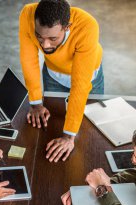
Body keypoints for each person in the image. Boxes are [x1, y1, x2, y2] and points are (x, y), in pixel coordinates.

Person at [19, 0, 104, 163]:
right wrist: (36, 103)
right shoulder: (28, 14)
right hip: (53, 74)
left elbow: (80, 85)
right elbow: (28, 60)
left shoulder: (87, 26)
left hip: (88, 77)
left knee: (88, 130)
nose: (45, 45)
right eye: (39, 37)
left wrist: (68, 137)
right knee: (51, 124)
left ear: (67, 27)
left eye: (52, 38)